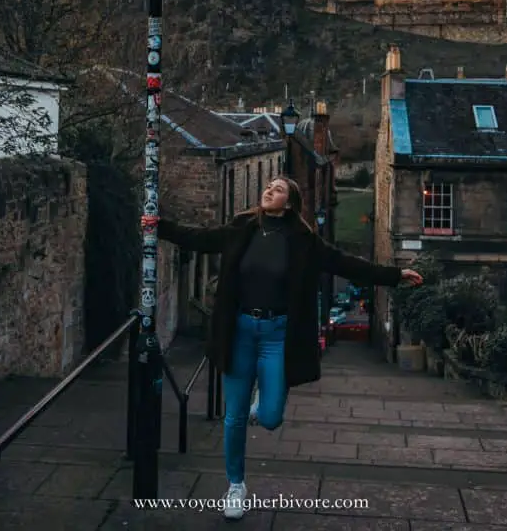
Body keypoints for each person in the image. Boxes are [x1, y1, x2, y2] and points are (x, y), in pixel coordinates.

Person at [146, 175, 423, 520]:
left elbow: (345, 263)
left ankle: (263, 396)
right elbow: (199, 238)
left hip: (278, 334)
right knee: (232, 416)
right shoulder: (242, 227)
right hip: (240, 332)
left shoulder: (304, 240)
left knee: (271, 417)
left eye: (277, 189)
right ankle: (236, 486)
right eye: (268, 186)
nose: (268, 191)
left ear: (289, 203)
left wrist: (394, 276)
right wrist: (160, 226)